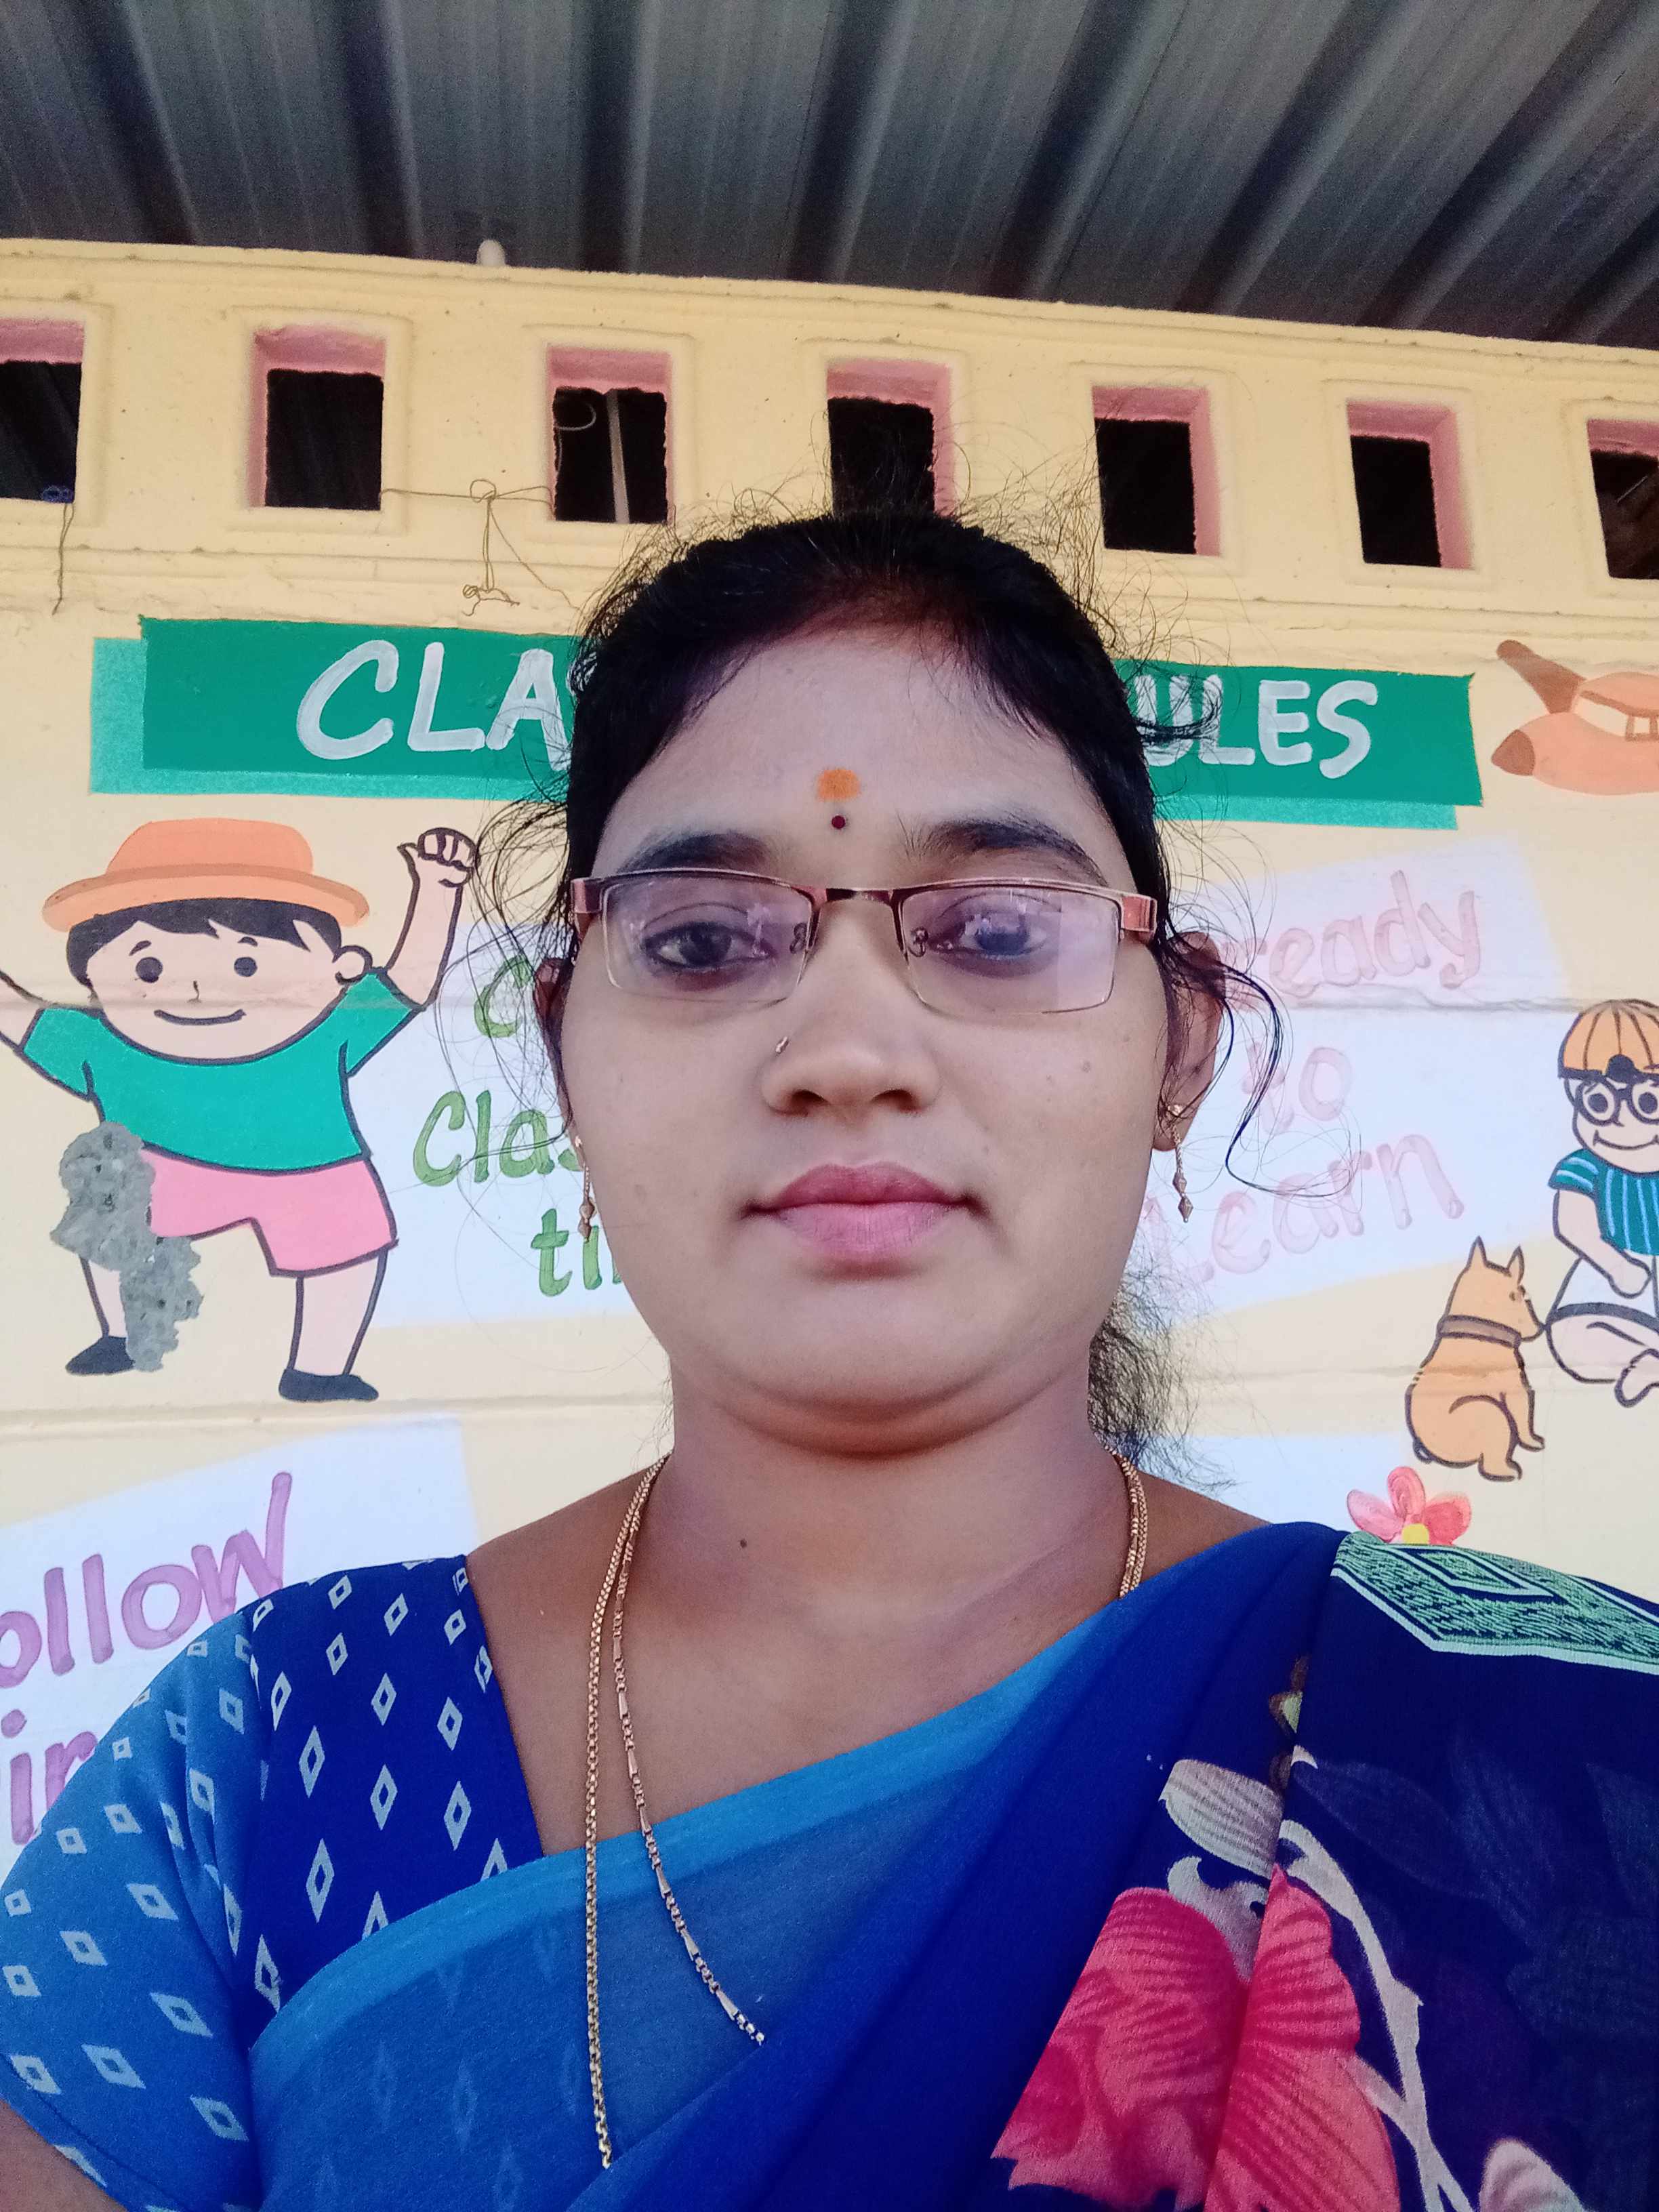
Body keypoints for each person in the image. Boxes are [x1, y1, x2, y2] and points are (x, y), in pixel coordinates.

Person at [3, 510, 1657, 2212]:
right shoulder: (263, 1762)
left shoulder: (1569, 1747)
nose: (850, 1049)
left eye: (995, 930)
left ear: (1181, 1047)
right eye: (702, 941)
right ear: (562, 1055)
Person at [0, 817, 478, 1401]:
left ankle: (320, 1370)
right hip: (165, 1167)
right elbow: (16, 1013)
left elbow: (409, 983)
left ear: (341, 971)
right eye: (149, 968)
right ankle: (123, 1334)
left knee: (348, 1252)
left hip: (314, 1170)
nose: (199, 988)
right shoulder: (103, 1045)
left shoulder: (328, 1032)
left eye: (246, 965)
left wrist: (437, 889)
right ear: (91, 978)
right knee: (108, 1198)